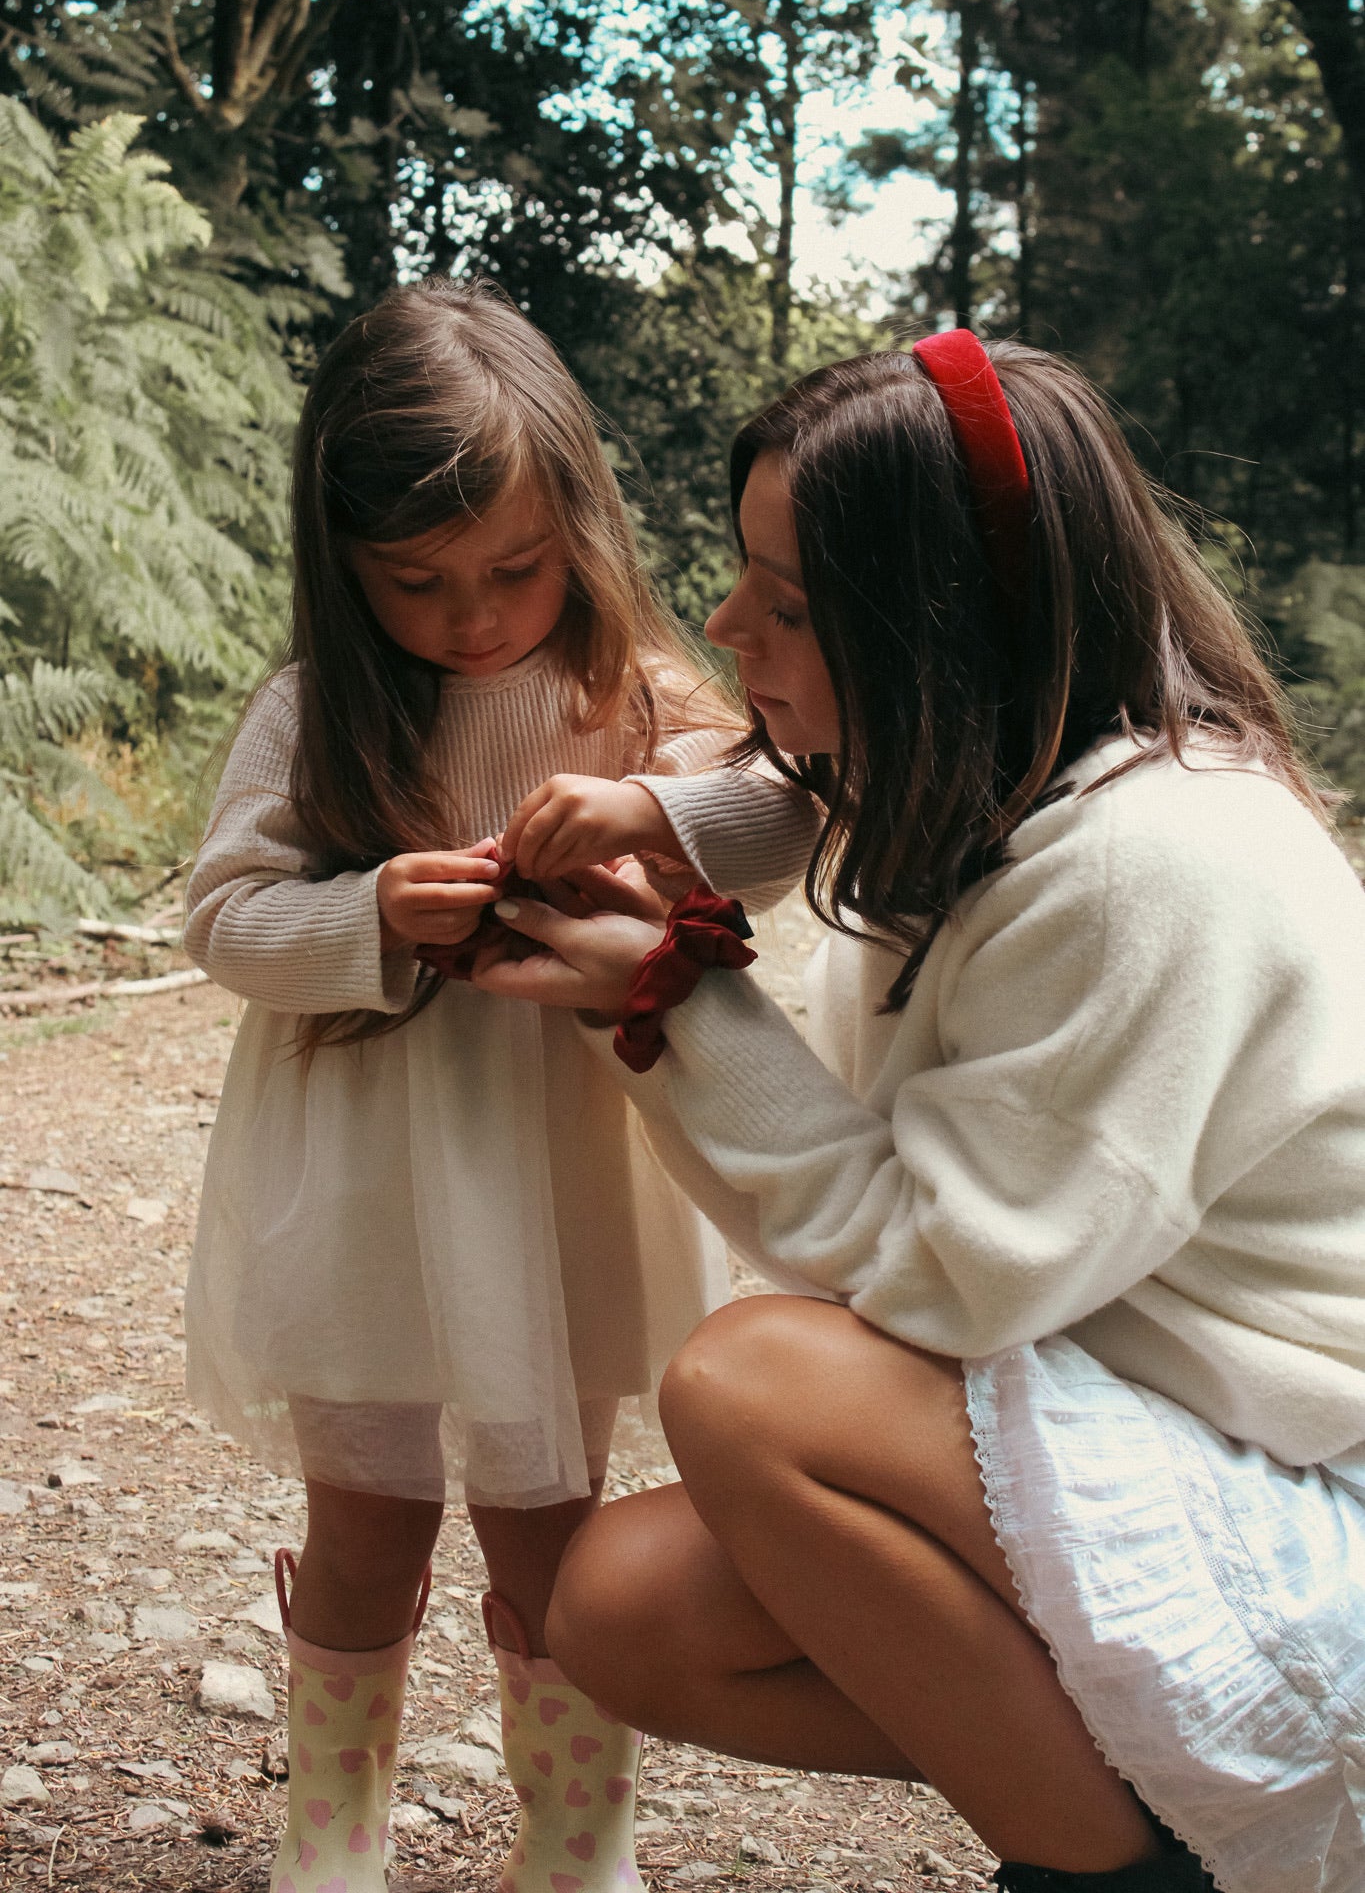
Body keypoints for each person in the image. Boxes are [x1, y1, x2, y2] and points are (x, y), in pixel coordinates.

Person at [468, 333, 1365, 1893]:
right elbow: (812, 794)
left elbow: (947, 1276)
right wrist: (658, 819)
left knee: (755, 1386)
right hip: (1150, 1414)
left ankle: (1102, 1870)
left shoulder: (1154, 866)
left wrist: (668, 999)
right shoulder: (1024, 768)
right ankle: (1158, 1804)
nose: (728, 624)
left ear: (942, 632)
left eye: (795, 605)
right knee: (619, 1608)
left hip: (1301, 1485)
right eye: (743, 575)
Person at [181, 278, 818, 1893]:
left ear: (581, 531)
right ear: (345, 570)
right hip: (372, 1171)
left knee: (552, 1523)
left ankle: (573, 1846)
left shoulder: (637, 699)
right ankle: (330, 1844)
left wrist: (642, 816)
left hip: (557, 1176)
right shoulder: (317, 711)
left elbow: (790, 815)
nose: (473, 618)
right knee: (367, 1513)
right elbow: (225, 915)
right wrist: (368, 913)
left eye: (515, 571)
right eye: (418, 583)